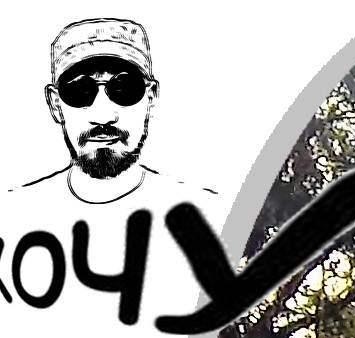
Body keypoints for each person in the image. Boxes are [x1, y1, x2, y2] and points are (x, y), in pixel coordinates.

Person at [15, 17, 216, 207]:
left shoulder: (209, 211)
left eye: (124, 89)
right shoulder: (15, 211)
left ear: (151, 98)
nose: (103, 116)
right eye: (79, 91)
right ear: (55, 103)